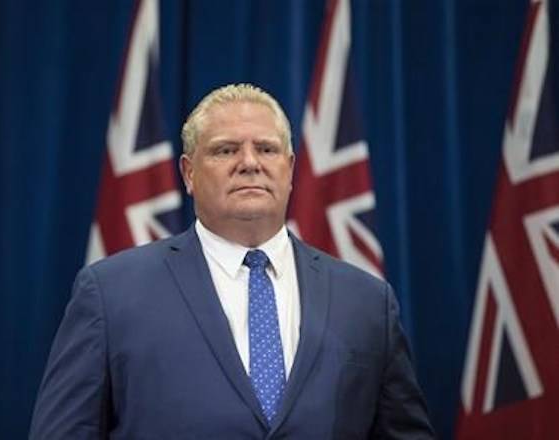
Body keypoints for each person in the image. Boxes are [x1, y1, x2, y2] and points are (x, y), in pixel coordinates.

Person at [30, 84, 435, 439]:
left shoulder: (367, 302)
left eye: (266, 149)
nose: (249, 162)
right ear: (189, 173)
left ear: (290, 169)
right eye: (226, 150)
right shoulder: (111, 293)